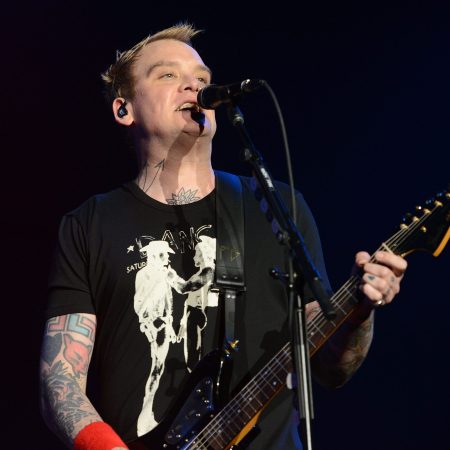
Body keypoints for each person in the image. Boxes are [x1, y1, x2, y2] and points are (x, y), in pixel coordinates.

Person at [39, 23, 408, 450]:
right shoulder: (90, 224)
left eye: (202, 79)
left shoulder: (276, 207)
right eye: (168, 75)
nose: (193, 87)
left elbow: (333, 369)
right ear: (125, 110)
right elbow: (60, 382)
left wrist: (360, 313)